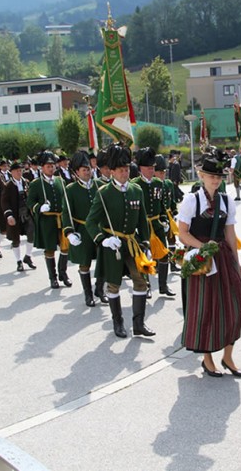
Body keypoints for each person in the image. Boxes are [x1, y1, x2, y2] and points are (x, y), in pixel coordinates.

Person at [177, 149, 241, 378]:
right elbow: (182, 234)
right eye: (211, 176)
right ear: (201, 176)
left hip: (223, 257)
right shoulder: (192, 200)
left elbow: (230, 235)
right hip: (202, 260)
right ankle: (207, 359)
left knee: (233, 305)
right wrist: (202, 249)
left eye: (218, 177)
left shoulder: (226, 201)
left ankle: (228, 356)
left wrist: (236, 264)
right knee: (206, 308)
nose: (215, 180)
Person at [85, 143, 155, 338]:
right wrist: (102, 240)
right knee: (113, 285)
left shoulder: (136, 191)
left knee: (140, 282)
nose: (125, 173)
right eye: (121, 170)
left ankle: (139, 324)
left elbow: (142, 220)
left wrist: (147, 244)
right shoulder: (104, 193)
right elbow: (91, 222)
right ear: (112, 171)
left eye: (127, 170)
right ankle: (118, 323)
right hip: (112, 245)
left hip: (133, 244)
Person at [62, 150, 107, 307]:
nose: (87, 172)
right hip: (82, 230)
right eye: (84, 170)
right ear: (76, 172)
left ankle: (100, 290)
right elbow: (67, 213)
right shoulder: (71, 189)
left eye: (89, 169)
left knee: (104, 261)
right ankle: (88, 294)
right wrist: (69, 233)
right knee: (85, 263)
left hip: (99, 229)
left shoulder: (100, 186)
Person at [131, 147, 175, 298]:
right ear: (141, 168)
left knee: (164, 255)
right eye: (149, 168)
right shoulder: (134, 185)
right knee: (144, 256)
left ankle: (163, 286)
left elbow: (162, 204)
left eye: (153, 168)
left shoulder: (158, 183)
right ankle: (146, 286)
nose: (152, 170)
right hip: (141, 226)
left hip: (156, 224)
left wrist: (164, 219)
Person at [27, 151, 72, 289]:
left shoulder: (60, 180)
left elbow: (65, 198)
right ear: (42, 167)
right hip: (47, 220)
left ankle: (63, 273)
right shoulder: (36, 183)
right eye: (48, 166)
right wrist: (39, 208)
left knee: (65, 247)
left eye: (52, 166)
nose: (51, 168)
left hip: (61, 218)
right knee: (50, 249)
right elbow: (30, 202)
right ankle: (53, 278)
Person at [1, 160, 36, 272]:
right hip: (15, 215)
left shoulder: (26, 182)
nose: (19, 172)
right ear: (11, 172)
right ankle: (18, 261)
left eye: (20, 170)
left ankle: (28, 257)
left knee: (32, 234)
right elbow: (4, 202)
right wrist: (9, 215)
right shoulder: (8, 185)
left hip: (26, 214)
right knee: (16, 240)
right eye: (17, 171)